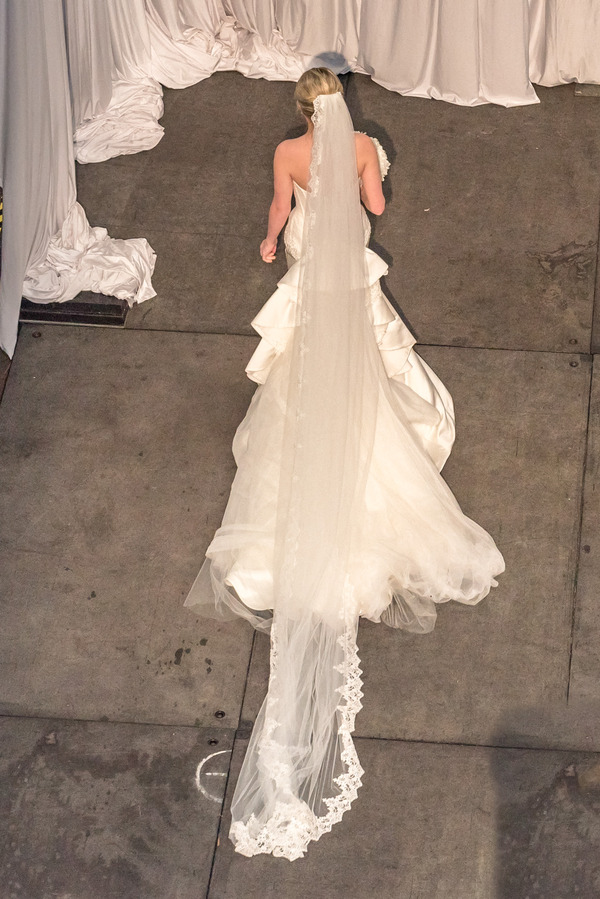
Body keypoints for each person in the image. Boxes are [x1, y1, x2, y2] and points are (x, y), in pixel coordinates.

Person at [185, 68, 504, 861]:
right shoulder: (361, 146)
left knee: (299, 380)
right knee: (367, 370)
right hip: (348, 282)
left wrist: (272, 242)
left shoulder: (286, 154)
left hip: (311, 278)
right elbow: (376, 210)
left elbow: (279, 213)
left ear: (301, 110)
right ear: (342, 106)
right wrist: (375, 170)